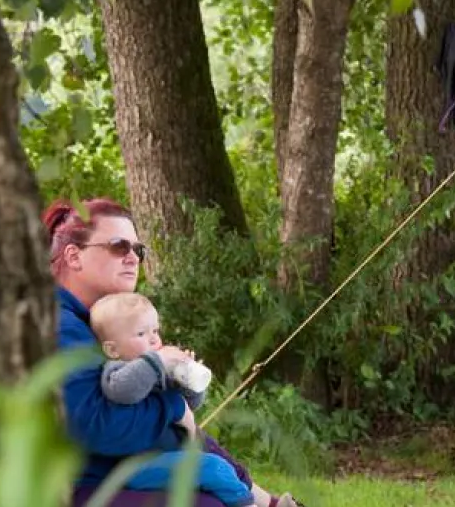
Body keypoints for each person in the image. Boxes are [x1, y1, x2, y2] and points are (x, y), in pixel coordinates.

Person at [46, 199, 298, 507]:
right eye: (118, 246)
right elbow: (94, 426)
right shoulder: (58, 324)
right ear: (74, 256)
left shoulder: (99, 323)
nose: (132, 258)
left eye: (137, 250)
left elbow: (182, 432)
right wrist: (173, 406)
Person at [89, 292, 257, 506]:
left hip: (168, 458)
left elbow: (192, 405)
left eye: (155, 331)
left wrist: (187, 380)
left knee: (220, 467)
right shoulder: (117, 370)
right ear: (112, 349)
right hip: (137, 465)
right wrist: (157, 360)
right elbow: (124, 390)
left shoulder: (157, 371)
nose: (154, 339)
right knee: (214, 468)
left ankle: (246, 499)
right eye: (141, 333)